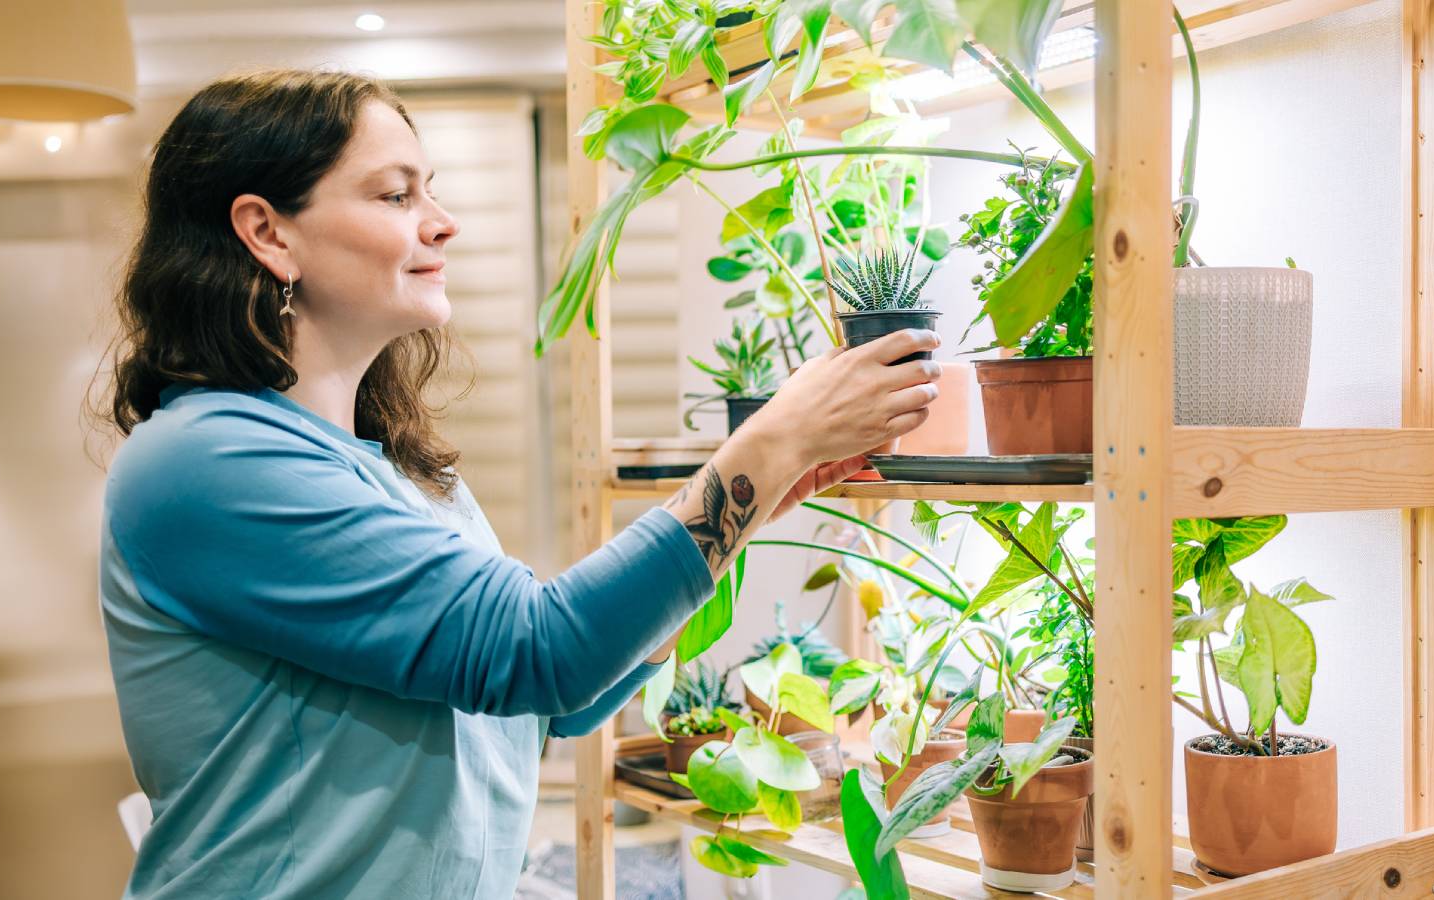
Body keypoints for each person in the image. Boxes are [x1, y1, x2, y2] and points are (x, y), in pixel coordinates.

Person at [92, 69, 940, 898]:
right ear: (268, 233)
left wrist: (758, 497)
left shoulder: (398, 470)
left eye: (431, 191)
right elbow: (543, 652)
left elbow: (552, 704)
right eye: (396, 197)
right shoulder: (207, 462)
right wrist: (771, 442)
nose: (443, 223)